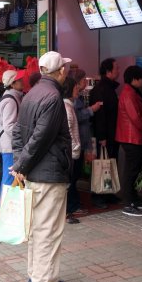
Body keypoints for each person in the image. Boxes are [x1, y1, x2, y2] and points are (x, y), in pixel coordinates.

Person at [11, 51, 72, 282]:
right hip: (49, 173)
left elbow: (18, 133)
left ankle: (36, 276)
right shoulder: (53, 96)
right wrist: (21, 165)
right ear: (59, 71)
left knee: (37, 229)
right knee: (48, 230)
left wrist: (19, 163)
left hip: (36, 173)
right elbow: (41, 138)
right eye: (65, 68)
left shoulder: (31, 94)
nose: (66, 71)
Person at [116, 65, 142, 217]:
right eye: (141, 78)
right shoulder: (129, 93)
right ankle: (128, 202)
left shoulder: (130, 92)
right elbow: (135, 117)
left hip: (133, 137)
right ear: (135, 79)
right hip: (132, 137)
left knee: (133, 170)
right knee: (131, 171)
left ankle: (133, 199)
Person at [67, 69, 102, 218]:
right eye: (82, 81)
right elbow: (76, 118)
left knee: (75, 176)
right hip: (76, 143)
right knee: (73, 177)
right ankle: (72, 206)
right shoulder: (70, 103)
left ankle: (74, 204)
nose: (85, 83)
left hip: (79, 141)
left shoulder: (77, 99)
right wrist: (91, 110)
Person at [89, 58, 120, 209]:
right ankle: (98, 194)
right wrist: (102, 137)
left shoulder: (109, 88)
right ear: (108, 71)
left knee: (109, 163)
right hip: (104, 135)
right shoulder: (101, 89)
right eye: (116, 68)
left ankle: (108, 192)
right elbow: (100, 116)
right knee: (101, 164)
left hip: (111, 133)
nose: (118, 71)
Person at [0, 69, 25, 202]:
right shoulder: (11, 100)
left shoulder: (11, 97)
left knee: (8, 177)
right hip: (10, 146)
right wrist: (21, 138)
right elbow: (9, 126)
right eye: (19, 80)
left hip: (9, 144)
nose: (22, 82)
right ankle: (5, 209)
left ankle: (5, 208)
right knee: (9, 178)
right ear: (12, 84)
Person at [62, 77, 81, 225]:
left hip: (70, 150)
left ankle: (68, 211)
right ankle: (68, 212)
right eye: (75, 87)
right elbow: (68, 130)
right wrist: (74, 147)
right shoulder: (67, 108)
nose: (78, 90)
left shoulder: (68, 106)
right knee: (69, 183)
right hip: (70, 152)